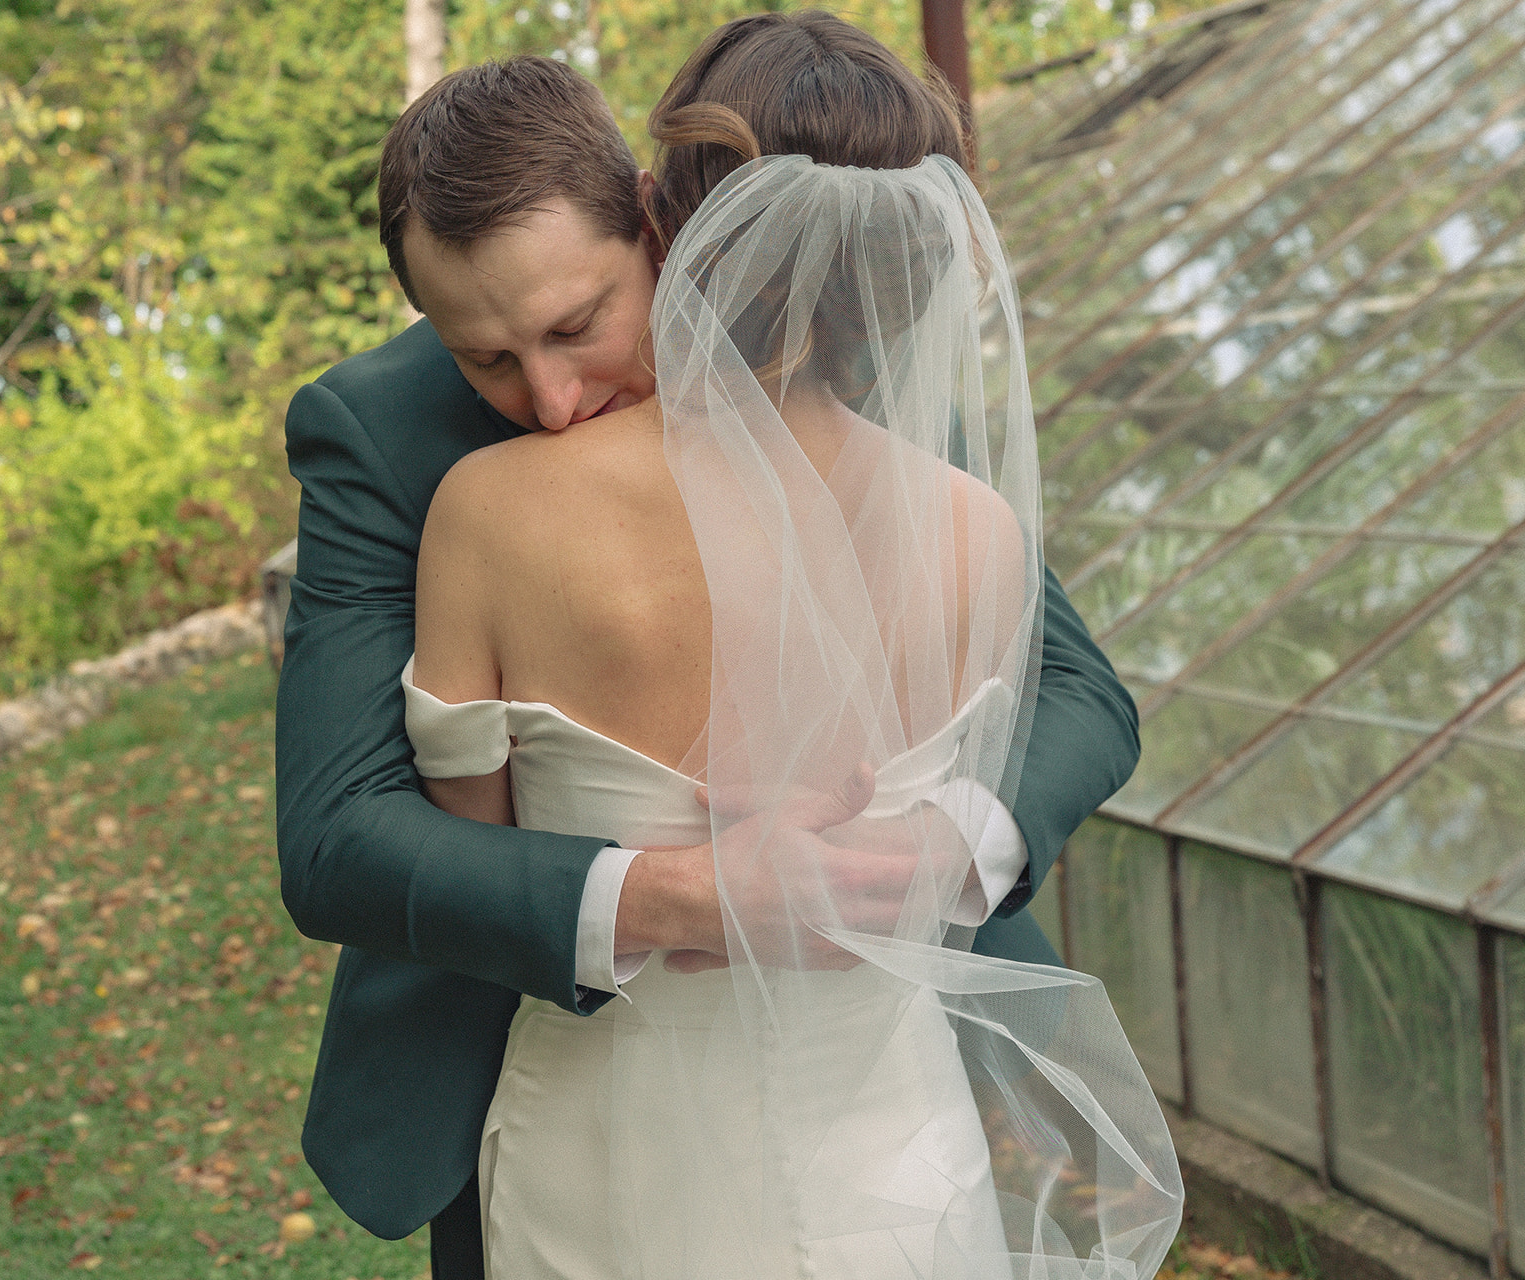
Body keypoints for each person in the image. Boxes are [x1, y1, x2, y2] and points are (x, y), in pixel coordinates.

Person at [275, 18, 1149, 1280]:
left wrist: (934, 847)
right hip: (531, 1040)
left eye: (580, 325)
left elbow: (1079, 688)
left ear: (659, 226)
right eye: (486, 360)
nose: (554, 397)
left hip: (871, 1053)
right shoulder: (382, 437)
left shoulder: (876, 387)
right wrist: (690, 893)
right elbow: (335, 835)